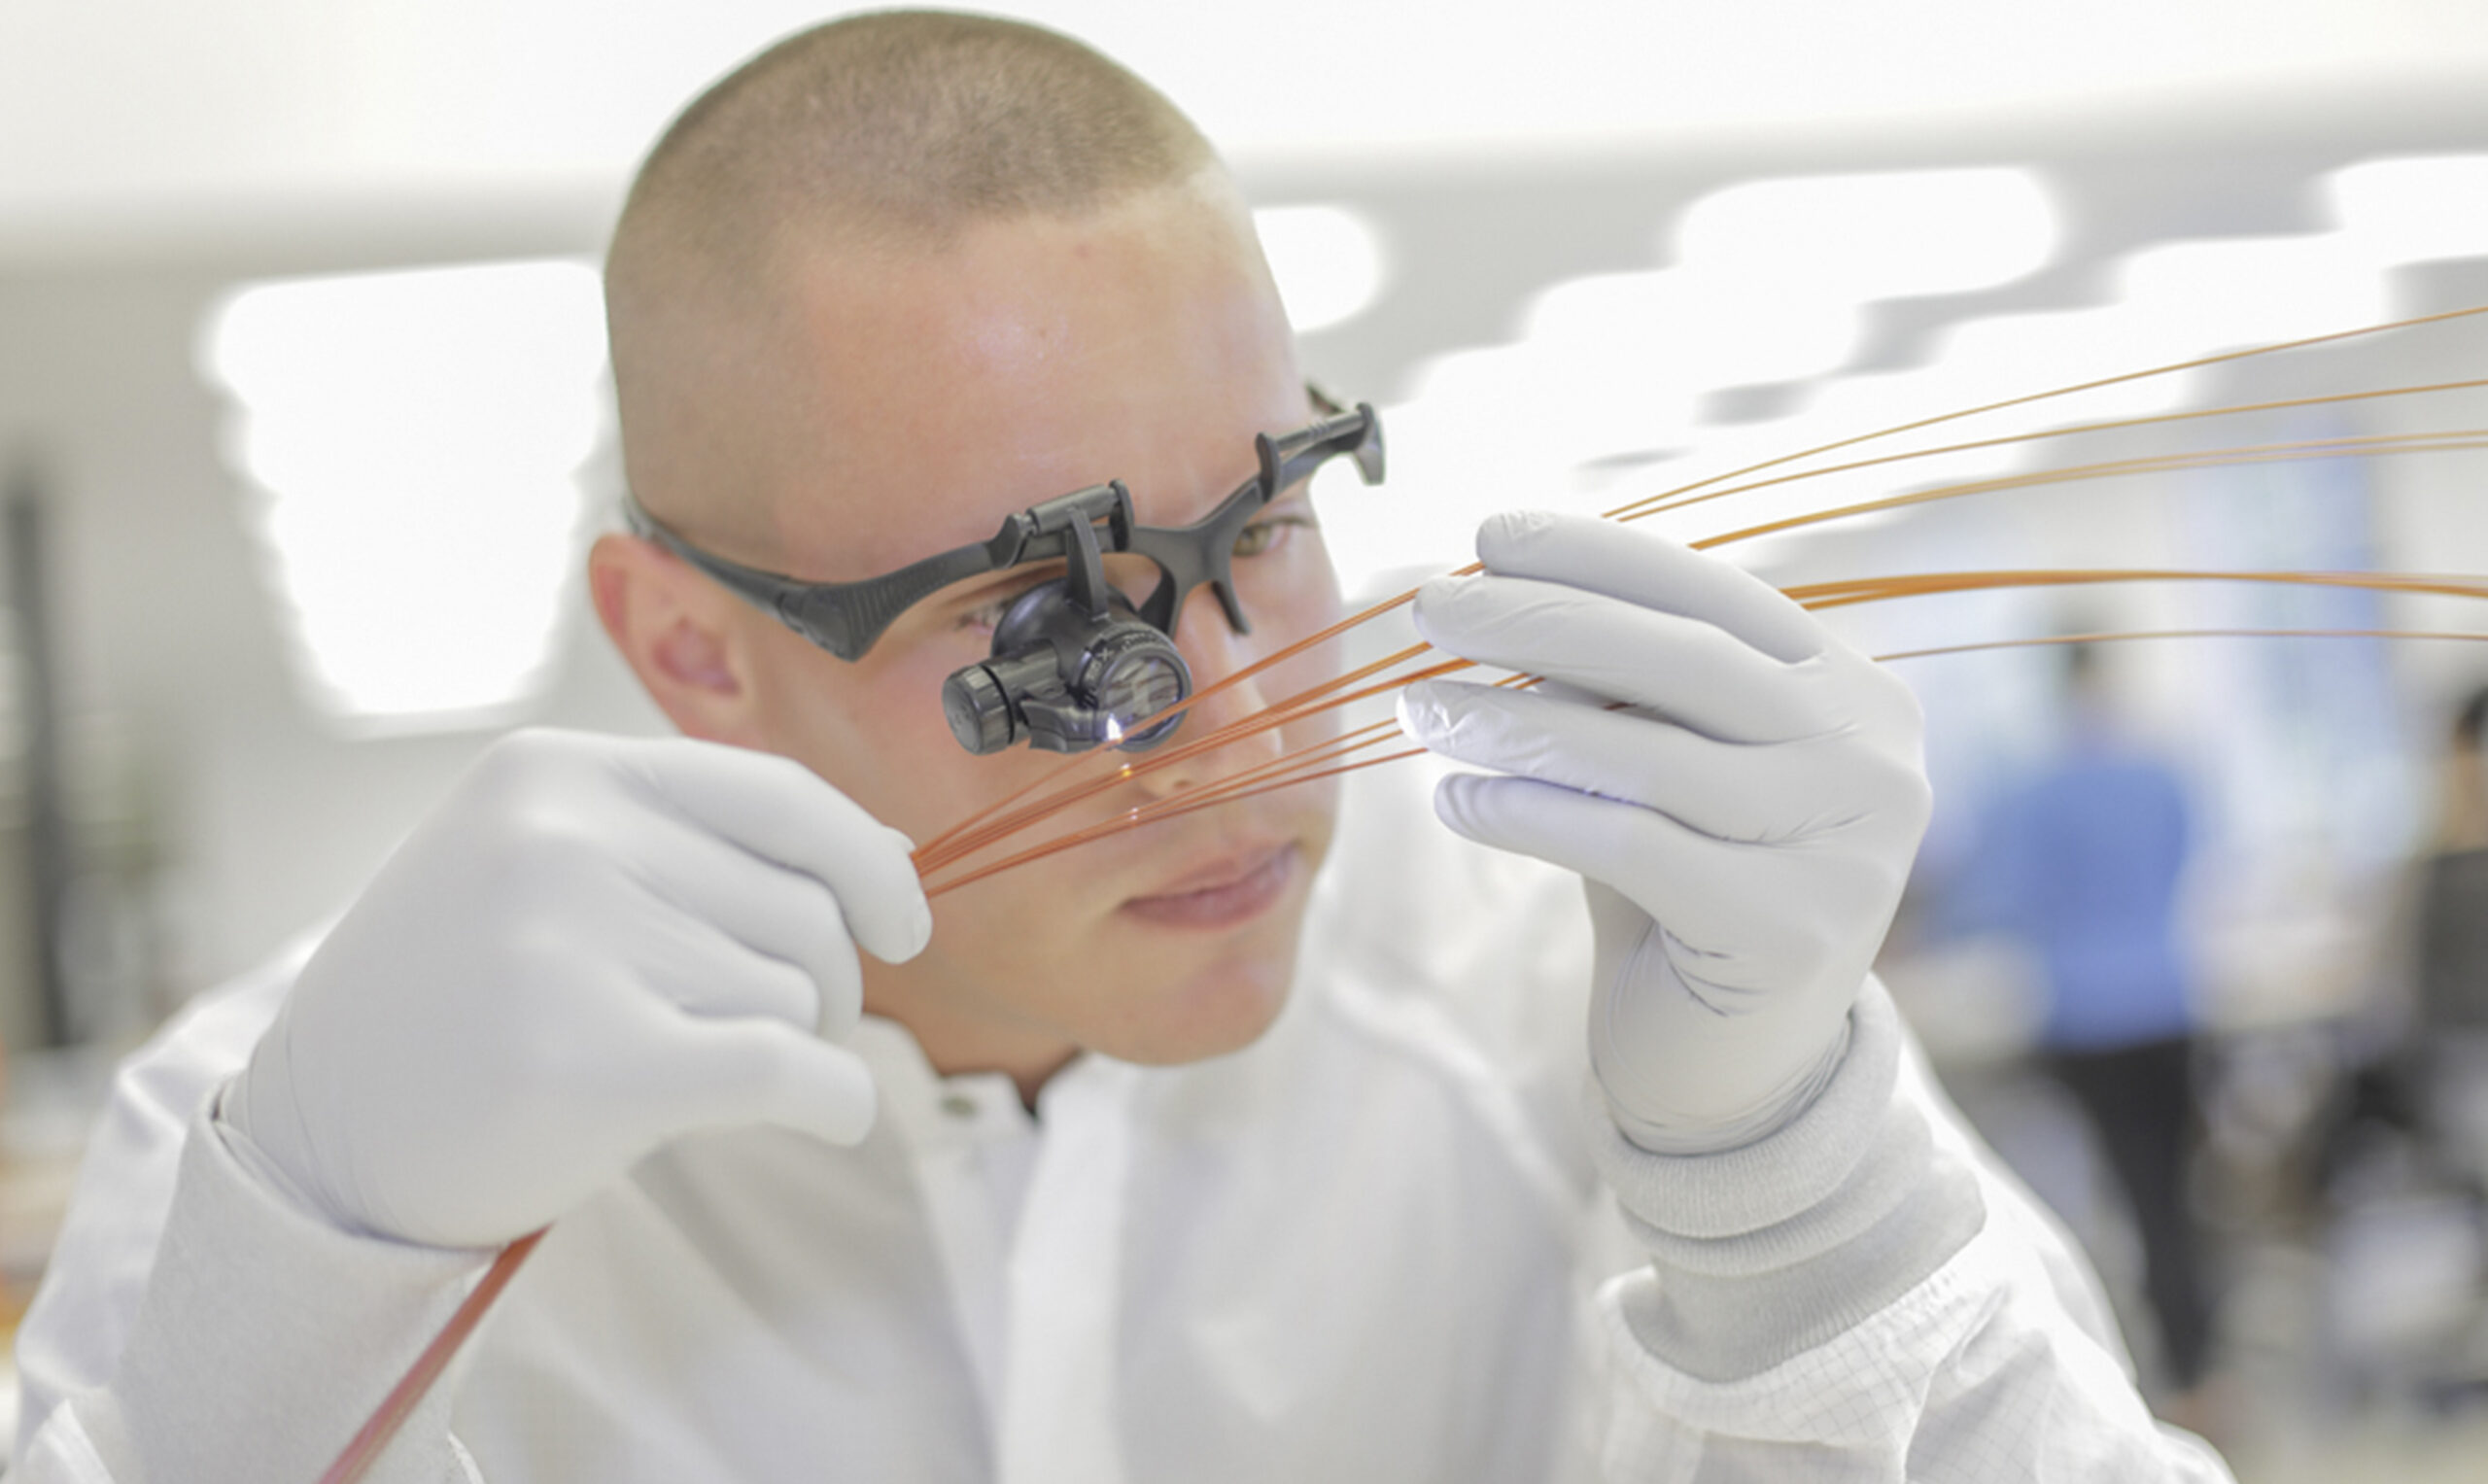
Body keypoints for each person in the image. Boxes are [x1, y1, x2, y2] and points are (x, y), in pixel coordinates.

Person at [12, 14, 2229, 1481]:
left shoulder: (1583, 1001)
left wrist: (1798, 1198)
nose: (1252, 727)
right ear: (688, 650)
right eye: (1040, 619)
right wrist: (292, 1294)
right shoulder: (318, 1134)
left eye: (1265, 523)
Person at [1950, 640, 2222, 1426]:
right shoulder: (2158, 770)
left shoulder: (2033, 788)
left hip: (2085, 1017)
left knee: (2109, 1197)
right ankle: (2199, 1364)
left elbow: (2006, 899)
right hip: (2166, 1001)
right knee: (2173, 1194)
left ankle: (2132, 1373)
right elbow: (2185, 865)